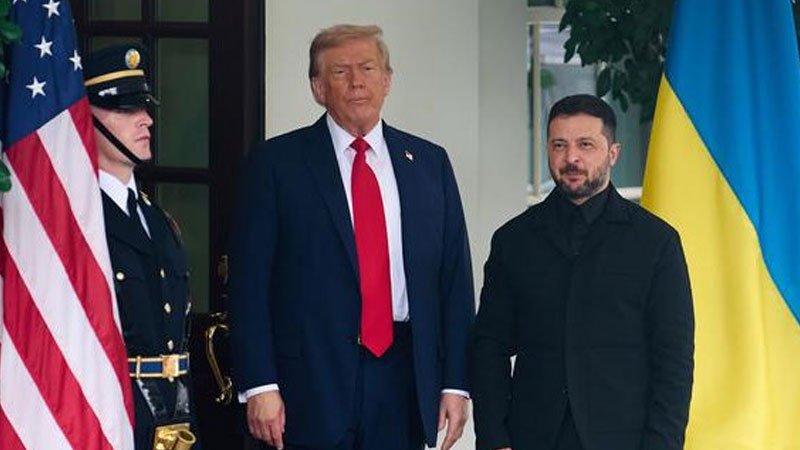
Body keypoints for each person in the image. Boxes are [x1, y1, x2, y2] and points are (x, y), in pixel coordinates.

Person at [228, 24, 475, 450]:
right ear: (318, 88)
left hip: (403, 379)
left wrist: (456, 383)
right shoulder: (276, 164)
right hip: (309, 383)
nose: (357, 82)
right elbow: (249, 284)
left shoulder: (429, 164)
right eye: (340, 72)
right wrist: (260, 384)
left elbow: (454, 282)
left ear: (387, 80)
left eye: (368, 68)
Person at [471, 94, 694, 450]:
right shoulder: (513, 241)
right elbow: (489, 347)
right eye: (559, 145)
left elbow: (673, 360)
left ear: (613, 153)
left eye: (585, 145)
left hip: (625, 440)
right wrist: (495, 439)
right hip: (531, 438)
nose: (571, 157)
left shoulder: (656, 243)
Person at [85, 44, 198, 450]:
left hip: (175, 413)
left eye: (145, 107)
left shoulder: (158, 219)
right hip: (112, 412)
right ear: (86, 120)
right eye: (126, 110)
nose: (146, 119)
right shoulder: (81, 222)